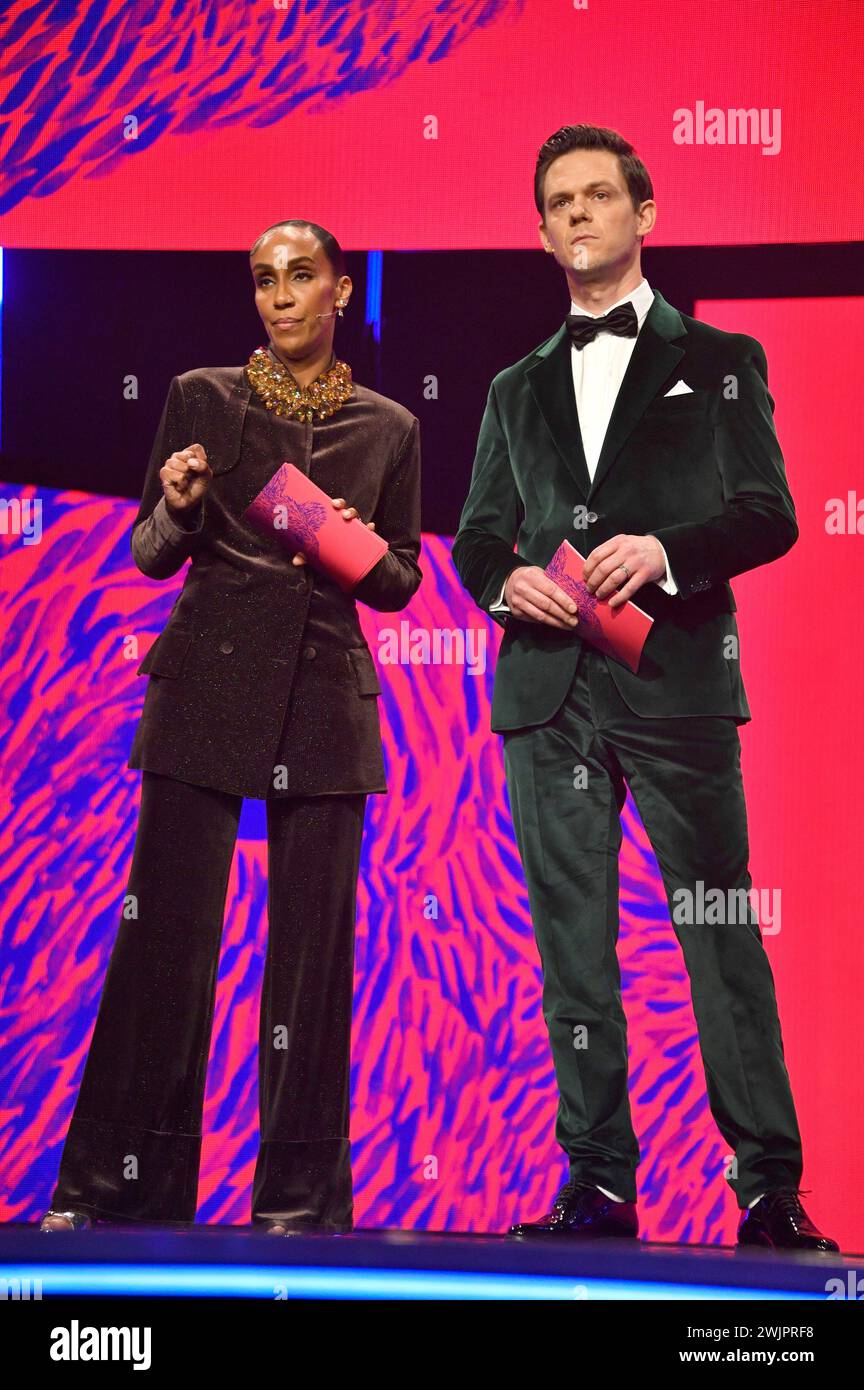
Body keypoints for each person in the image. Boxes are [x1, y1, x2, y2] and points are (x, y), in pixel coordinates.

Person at [451, 124, 838, 1253]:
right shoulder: (513, 385)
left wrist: (664, 554)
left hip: (675, 682)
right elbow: (478, 537)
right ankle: (600, 1187)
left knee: (718, 927)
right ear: (539, 232)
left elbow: (769, 513)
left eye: (597, 196)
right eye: (557, 203)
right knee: (572, 942)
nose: (578, 215)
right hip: (547, 690)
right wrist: (505, 578)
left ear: (644, 212)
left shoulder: (722, 357)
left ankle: (768, 1189)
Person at [40, 219, 422, 1235]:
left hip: (323, 697)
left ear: (341, 291)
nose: (281, 295)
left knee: (311, 960)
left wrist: (341, 536)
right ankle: (117, 1192)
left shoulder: (389, 426)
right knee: (162, 943)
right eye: (264, 279)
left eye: (302, 276)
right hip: (207, 680)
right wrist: (174, 503)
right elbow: (150, 553)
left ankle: (299, 1207)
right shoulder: (201, 395)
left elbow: (400, 581)